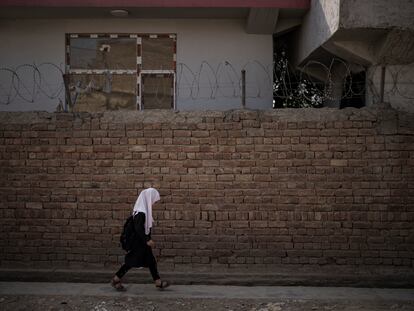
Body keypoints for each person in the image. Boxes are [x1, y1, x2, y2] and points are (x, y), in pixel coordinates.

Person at [111, 187, 169, 291]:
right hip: (138, 243)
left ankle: (158, 282)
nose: (153, 203)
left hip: (141, 242)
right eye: (153, 200)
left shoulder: (142, 211)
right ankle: (116, 279)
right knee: (130, 262)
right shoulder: (141, 213)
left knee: (151, 261)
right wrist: (147, 239)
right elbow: (138, 228)